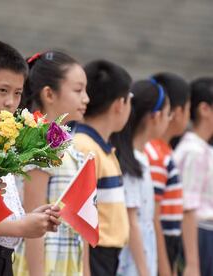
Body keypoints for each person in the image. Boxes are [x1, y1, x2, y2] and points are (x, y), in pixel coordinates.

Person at [0, 41, 60, 276]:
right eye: (2, 90)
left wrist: (29, 219)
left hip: (1, 258)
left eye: (17, 93)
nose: (10, 102)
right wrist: (21, 226)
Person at [12, 50, 89, 276]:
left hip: (66, 261)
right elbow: (32, 220)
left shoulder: (69, 145)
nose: (86, 98)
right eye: (78, 90)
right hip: (43, 264)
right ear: (49, 94)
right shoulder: (39, 142)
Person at [73, 59, 132, 276]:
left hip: (109, 255)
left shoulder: (101, 148)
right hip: (95, 255)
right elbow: (81, 216)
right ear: (119, 104)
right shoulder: (84, 146)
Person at [112, 79, 171, 275]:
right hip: (132, 262)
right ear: (155, 116)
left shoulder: (139, 157)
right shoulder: (131, 160)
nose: (169, 119)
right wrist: (144, 270)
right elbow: (132, 222)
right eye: (167, 114)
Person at [144, 73, 190, 276]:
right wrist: (163, 266)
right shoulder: (154, 155)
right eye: (189, 109)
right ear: (177, 112)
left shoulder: (165, 150)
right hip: (160, 242)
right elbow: (154, 217)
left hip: (169, 241)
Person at [174, 77, 213, 276]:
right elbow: (187, 208)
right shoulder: (193, 151)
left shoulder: (203, 148)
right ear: (204, 109)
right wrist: (192, 264)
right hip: (199, 236)